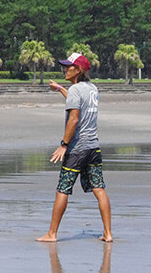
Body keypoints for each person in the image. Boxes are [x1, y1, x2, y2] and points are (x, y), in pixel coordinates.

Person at [36, 53, 113, 242]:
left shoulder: (76, 90)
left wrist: (64, 145)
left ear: (78, 70)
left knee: (62, 189)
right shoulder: (92, 88)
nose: (64, 69)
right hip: (93, 148)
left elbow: (74, 118)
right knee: (99, 188)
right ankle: (108, 233)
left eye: (68, 66)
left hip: (77, 149)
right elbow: (76, 100)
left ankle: (52, 234)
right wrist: (61, 89)